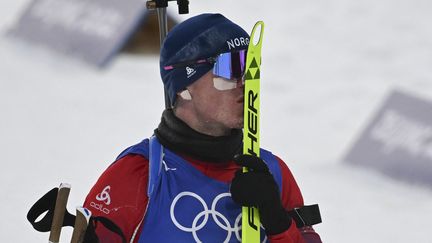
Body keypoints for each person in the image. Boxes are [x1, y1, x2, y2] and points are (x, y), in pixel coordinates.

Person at [83, 13, 322, 243]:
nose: (245, 84)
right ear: (183, 87)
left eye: (250, 68)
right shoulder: (139, 174)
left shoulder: (272, 173)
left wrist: (278, 223)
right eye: (230, 69)